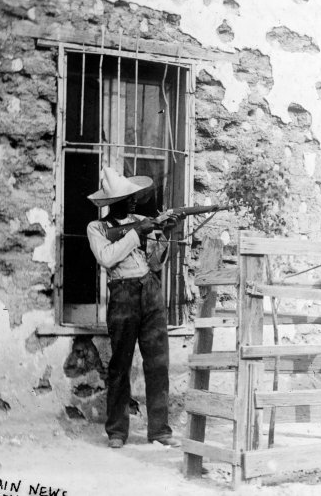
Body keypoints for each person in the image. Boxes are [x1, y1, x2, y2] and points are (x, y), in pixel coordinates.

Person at [86, 167, 181, 449]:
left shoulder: (141, 221)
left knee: (158, 362)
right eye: (126, 198)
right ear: (111, 202)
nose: (133, 201)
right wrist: (136, 234)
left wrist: (164, 236)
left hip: (150, 289)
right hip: (123, 293)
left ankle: (160, 430)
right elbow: (106, 257)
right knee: (120, 366)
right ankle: (116, 431)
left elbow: (155, 263)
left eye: (132, 197)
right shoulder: (98, 228)